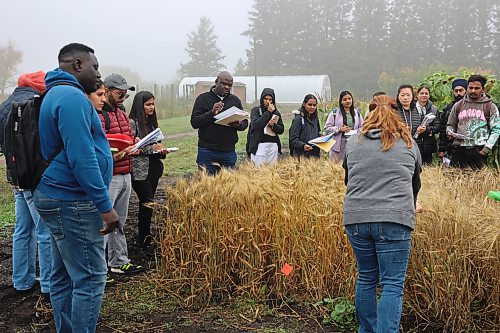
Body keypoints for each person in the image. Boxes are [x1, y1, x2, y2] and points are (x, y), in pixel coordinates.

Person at [33, 43, 119, 333]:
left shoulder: (54, 93)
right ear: (78, 64)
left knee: (61, 276)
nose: (98, 73)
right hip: (73, 200)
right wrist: (105, 207)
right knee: (91, 278)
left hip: (55, 195)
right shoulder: (71, 98)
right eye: (94, 66)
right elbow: (81, 157)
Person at [343, 95, 422, 333]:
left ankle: (367, 330)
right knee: (392, 284)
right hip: (394, 219)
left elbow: (349, 180)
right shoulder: (408, 143)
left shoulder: (353, 142)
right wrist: (409, 206)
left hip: (356, 218)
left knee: (367, 277)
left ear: (369, 113)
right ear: (397, 115)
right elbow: (414, 183)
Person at [0, 72, 52, 296]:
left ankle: (22, 280)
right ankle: (50, 284)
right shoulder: (33, 105)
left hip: (14, 177)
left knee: (22, 230)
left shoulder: (4, 106)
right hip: (32, 178)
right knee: (44, 231)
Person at [100, 73, 143, 274]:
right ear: (106, 90)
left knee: (120, 221)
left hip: (126, 172)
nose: (123, 98)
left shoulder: (122, 114)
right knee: (104, 223)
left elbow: (127, 137)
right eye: (120, 94)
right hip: (110, 175)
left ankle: (118, 261)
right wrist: (113, 156)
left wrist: (135, 144)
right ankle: (99, 268)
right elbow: (97, 146)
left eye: (126, 95)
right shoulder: (98, 115)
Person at [129, 91, 168, 248]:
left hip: (154, 168)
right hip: (140, 170)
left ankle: (145, 234)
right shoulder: (132, 123)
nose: (152, 107)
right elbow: (133, 148)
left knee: (148, 202)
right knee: (147, 201)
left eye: (153, 104)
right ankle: (144, 236)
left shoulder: (152, 124)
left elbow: (156, 145)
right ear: (140, 105)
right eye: (148, 104)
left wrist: (161, 151)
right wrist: (152, 148)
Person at [190, 71, 248, 175]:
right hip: (207, 151)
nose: (226, 87)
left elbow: (245, 122)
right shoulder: (203, 99)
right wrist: (211, 113)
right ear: (216, 82)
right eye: (223, 83)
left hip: (228, 152)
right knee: (207, 186)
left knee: (228, 187)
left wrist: (238, 125)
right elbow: (194, 122)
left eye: (229, 85)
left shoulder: (235, 100)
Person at [446, 74, 500, 169]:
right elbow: (451, 124)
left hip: (479, 149)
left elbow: (496, 130)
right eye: (470, 88)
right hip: (459, 149)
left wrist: (485, 150)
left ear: (483, 89)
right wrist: (450, 132)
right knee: (454, 180)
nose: (473, 91)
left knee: (478, 181)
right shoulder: (458, 105)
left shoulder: (490, 106)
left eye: (476, 88)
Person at [246, 88, 285, 166]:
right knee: (258, 170)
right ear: (262, 99)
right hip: (259, 144)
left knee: (271, 171)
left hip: (273, 144)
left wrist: (274, 125)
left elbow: (281, 129)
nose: (268, 101)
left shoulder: (276, 112)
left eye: (270, 99)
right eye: (266, 99)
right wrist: (268, 112)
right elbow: (256, 125)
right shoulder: (256, 110)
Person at [323, 91, 363, 162]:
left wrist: (356, 131)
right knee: (336, 168)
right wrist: (339, 129)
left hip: (353, 144)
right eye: (345, 99)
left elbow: (363, 127)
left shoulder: (357, 113)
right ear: (341, 102)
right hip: (338, 145)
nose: (348, 101)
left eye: (349, 98)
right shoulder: (334, 113)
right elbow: (327, 128)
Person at [437, 78, 467, 160]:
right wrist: (442, 149)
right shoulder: (448, 108)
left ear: (466, 91)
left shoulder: (472, 107)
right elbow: (443, 129)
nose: (458, 93)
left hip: (469, 146)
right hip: (451, 147)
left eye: (461, 90)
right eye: (456, 91)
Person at [289, 94, 321, 159]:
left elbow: (318, 133)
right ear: (304, 104)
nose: (312, 107)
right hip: (301, 156)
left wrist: (322, 138)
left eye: (314, 105)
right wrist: (303, 146)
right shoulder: (298, 119)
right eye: (310, 105)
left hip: (314, 155)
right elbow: (293, 140)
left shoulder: (315, 119)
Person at [414, 85, 440, 164]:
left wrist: (427, 130)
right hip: (414, 142)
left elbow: (437, 126)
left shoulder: (434, 109)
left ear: (429, 95)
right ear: (417, 95)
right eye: (421, 93)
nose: (424, 95)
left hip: (428, 144)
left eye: (426, 93)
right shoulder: (411, 108)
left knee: (427, 166)